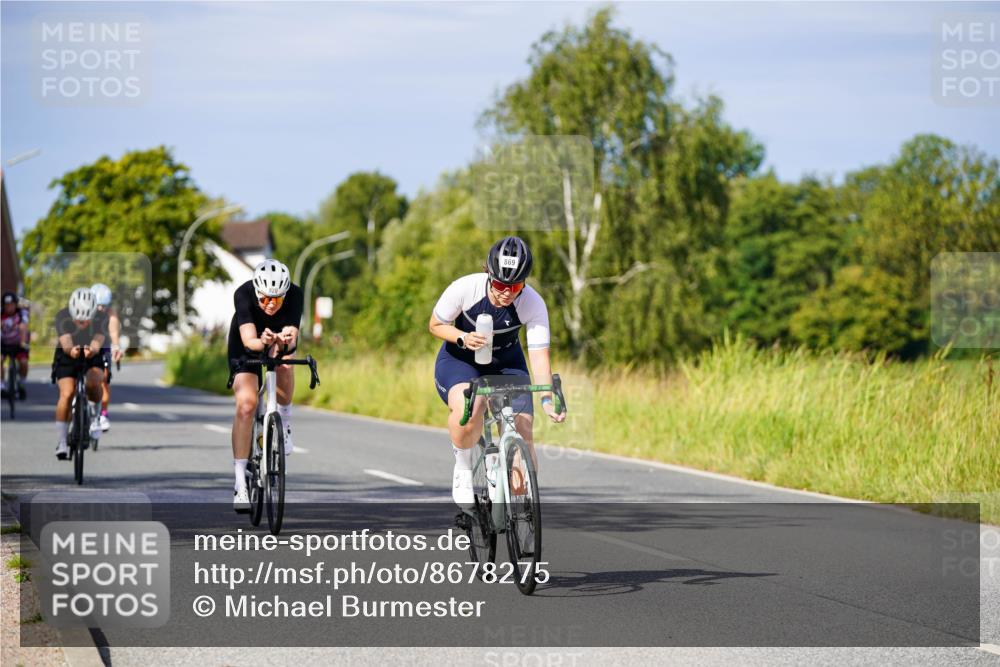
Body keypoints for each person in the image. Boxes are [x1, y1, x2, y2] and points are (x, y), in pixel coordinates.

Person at [428, 236, 565, 506]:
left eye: (514, 286)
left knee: (523, 432)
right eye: (501, 284)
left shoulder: (533, 303)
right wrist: (462, 338)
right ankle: (464, 468)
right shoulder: (465, 288)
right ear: (488, 274)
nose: (506, 292)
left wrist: (547, 399)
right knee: (471, 405)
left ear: (524, 282)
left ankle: (519, 507)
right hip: (460, 360)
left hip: (506, 363)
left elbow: (539, 355)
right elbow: (435, 325)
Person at [227, 259, 303, 512]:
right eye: (266, 299)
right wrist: (262, 339)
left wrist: (282, 341)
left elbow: (291, 339)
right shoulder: (244, 294)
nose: (271, 304)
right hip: (246, 341)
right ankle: (240, 481)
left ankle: (284, 420)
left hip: (276, 340)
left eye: (277, 299)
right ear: (257, 292)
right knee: (247, 405)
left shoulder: (295, 294)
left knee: (286, 363)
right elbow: (249, 342)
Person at [52, 288, 108, 459]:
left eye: (86, 320)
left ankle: (96, 417)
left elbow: (98, 339)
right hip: (68, 354)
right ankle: (61, 441)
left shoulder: (100, 318)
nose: (81, 323)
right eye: (78, 319)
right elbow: (66, 341)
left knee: (94, 382)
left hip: (92, 354)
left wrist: (92, 349)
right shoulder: (62, 316)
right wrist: (71, 350)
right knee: (67, 393)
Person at [90, 283, 123, 431]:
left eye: (104, 306)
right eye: (98, 305)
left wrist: (116, 347)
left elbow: (114, 333)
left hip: (104, 347)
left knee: (104, 379)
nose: (101, 309)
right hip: (86, 344)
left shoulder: (110, 314)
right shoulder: (86, 310)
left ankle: (103, 414)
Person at [1, 292, 29, 398]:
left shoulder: (22, 313)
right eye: (6, 305)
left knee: (23, 362)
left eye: (11, 304)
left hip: (18, 343)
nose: (9, 307)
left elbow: (24, 327)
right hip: (4, 343)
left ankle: (21, 383)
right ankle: (2, 386)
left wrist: (22, 343)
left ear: (15, 305)